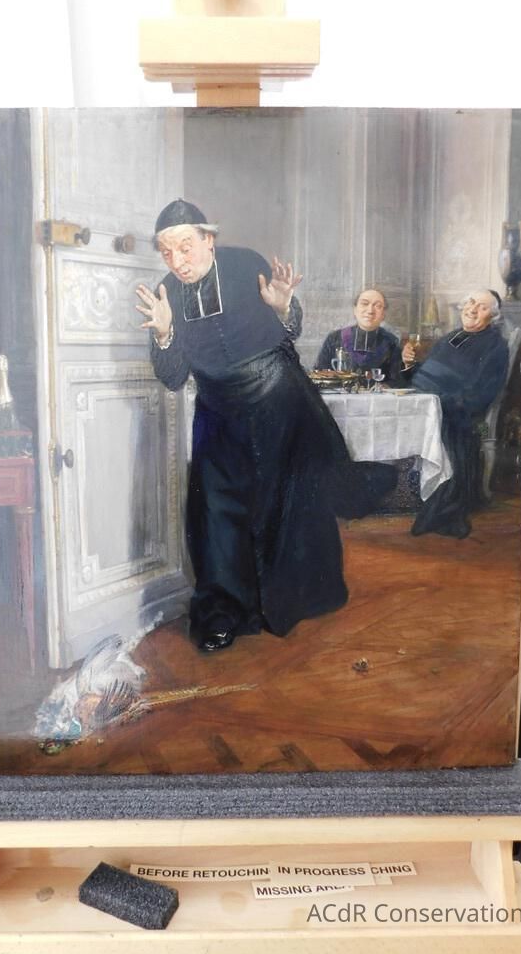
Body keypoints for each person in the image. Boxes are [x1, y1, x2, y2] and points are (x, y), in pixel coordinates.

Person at [136, 199, 396, 653]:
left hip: (277, 403)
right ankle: (221, 614)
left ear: (208, 240)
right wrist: (164, 334)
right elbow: (173, 377)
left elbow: (288, 334)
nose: (177, 261)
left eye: (185, 247)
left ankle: (298, 598)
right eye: (166, 251)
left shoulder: (245, 265)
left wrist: (283, 308)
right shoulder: (166, 293)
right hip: (217, 414)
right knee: (214, 513)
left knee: (284, 506)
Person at [401, 290, 509, 539]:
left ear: (493, 316)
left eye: (482, 307)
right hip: (430, 406)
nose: (473, 309)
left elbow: (481, 395)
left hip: (467, 419)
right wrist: (409, 365)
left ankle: (441, 506)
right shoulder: (452, 337)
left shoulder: (496, 346)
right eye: (471, 302)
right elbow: (425, 376)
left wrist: (440, 402)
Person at [315, 289, 403, 384]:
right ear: (355, 310)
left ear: (383, 314)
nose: (370, 311)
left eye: (378, 306)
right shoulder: (334, 338)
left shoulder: (391, 342)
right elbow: (320, 374)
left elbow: (396, 381)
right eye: (364, 304)